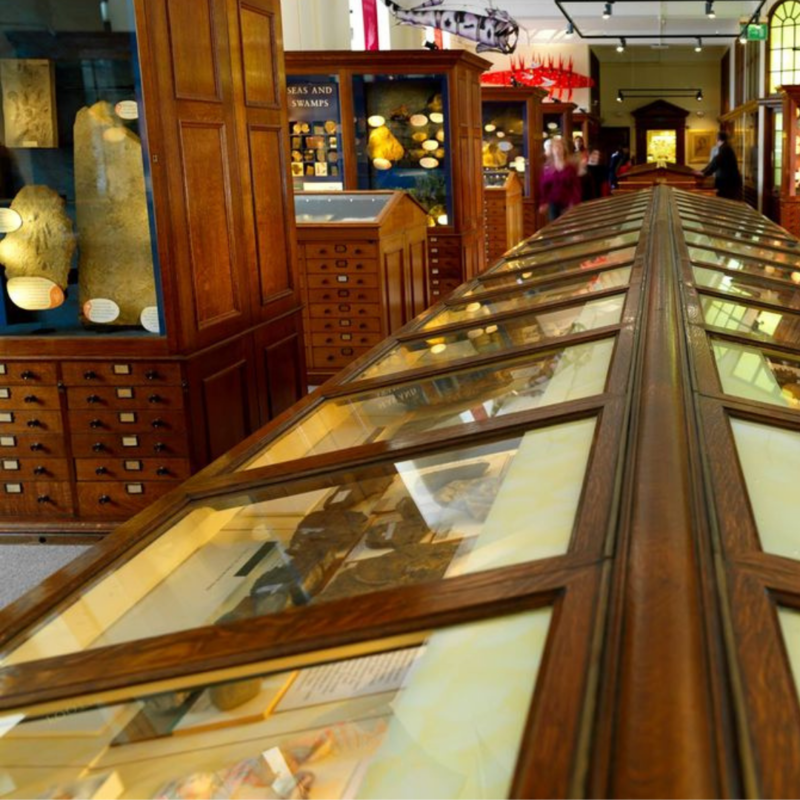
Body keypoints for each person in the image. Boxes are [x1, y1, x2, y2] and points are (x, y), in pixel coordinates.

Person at [539, 137, 581, 221]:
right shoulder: (548, 168)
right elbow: (544, 187)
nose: (557, 150)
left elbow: (575, 186)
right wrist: (543, 202)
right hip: (553, 203)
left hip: (568, 203)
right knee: (554, 226)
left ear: (563, 149)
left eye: (560, 147)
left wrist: (575, 202)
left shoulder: (570, 168)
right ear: (552, 150)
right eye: (555, 147)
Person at [698, 131, 742, 200]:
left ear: (717, 139)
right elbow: (713, 162)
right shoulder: (725, 147)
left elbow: (716, 162)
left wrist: (704, 173)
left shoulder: (725, 148)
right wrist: (703, 171)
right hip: (728, 182)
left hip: (728, 184)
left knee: (727, 204)